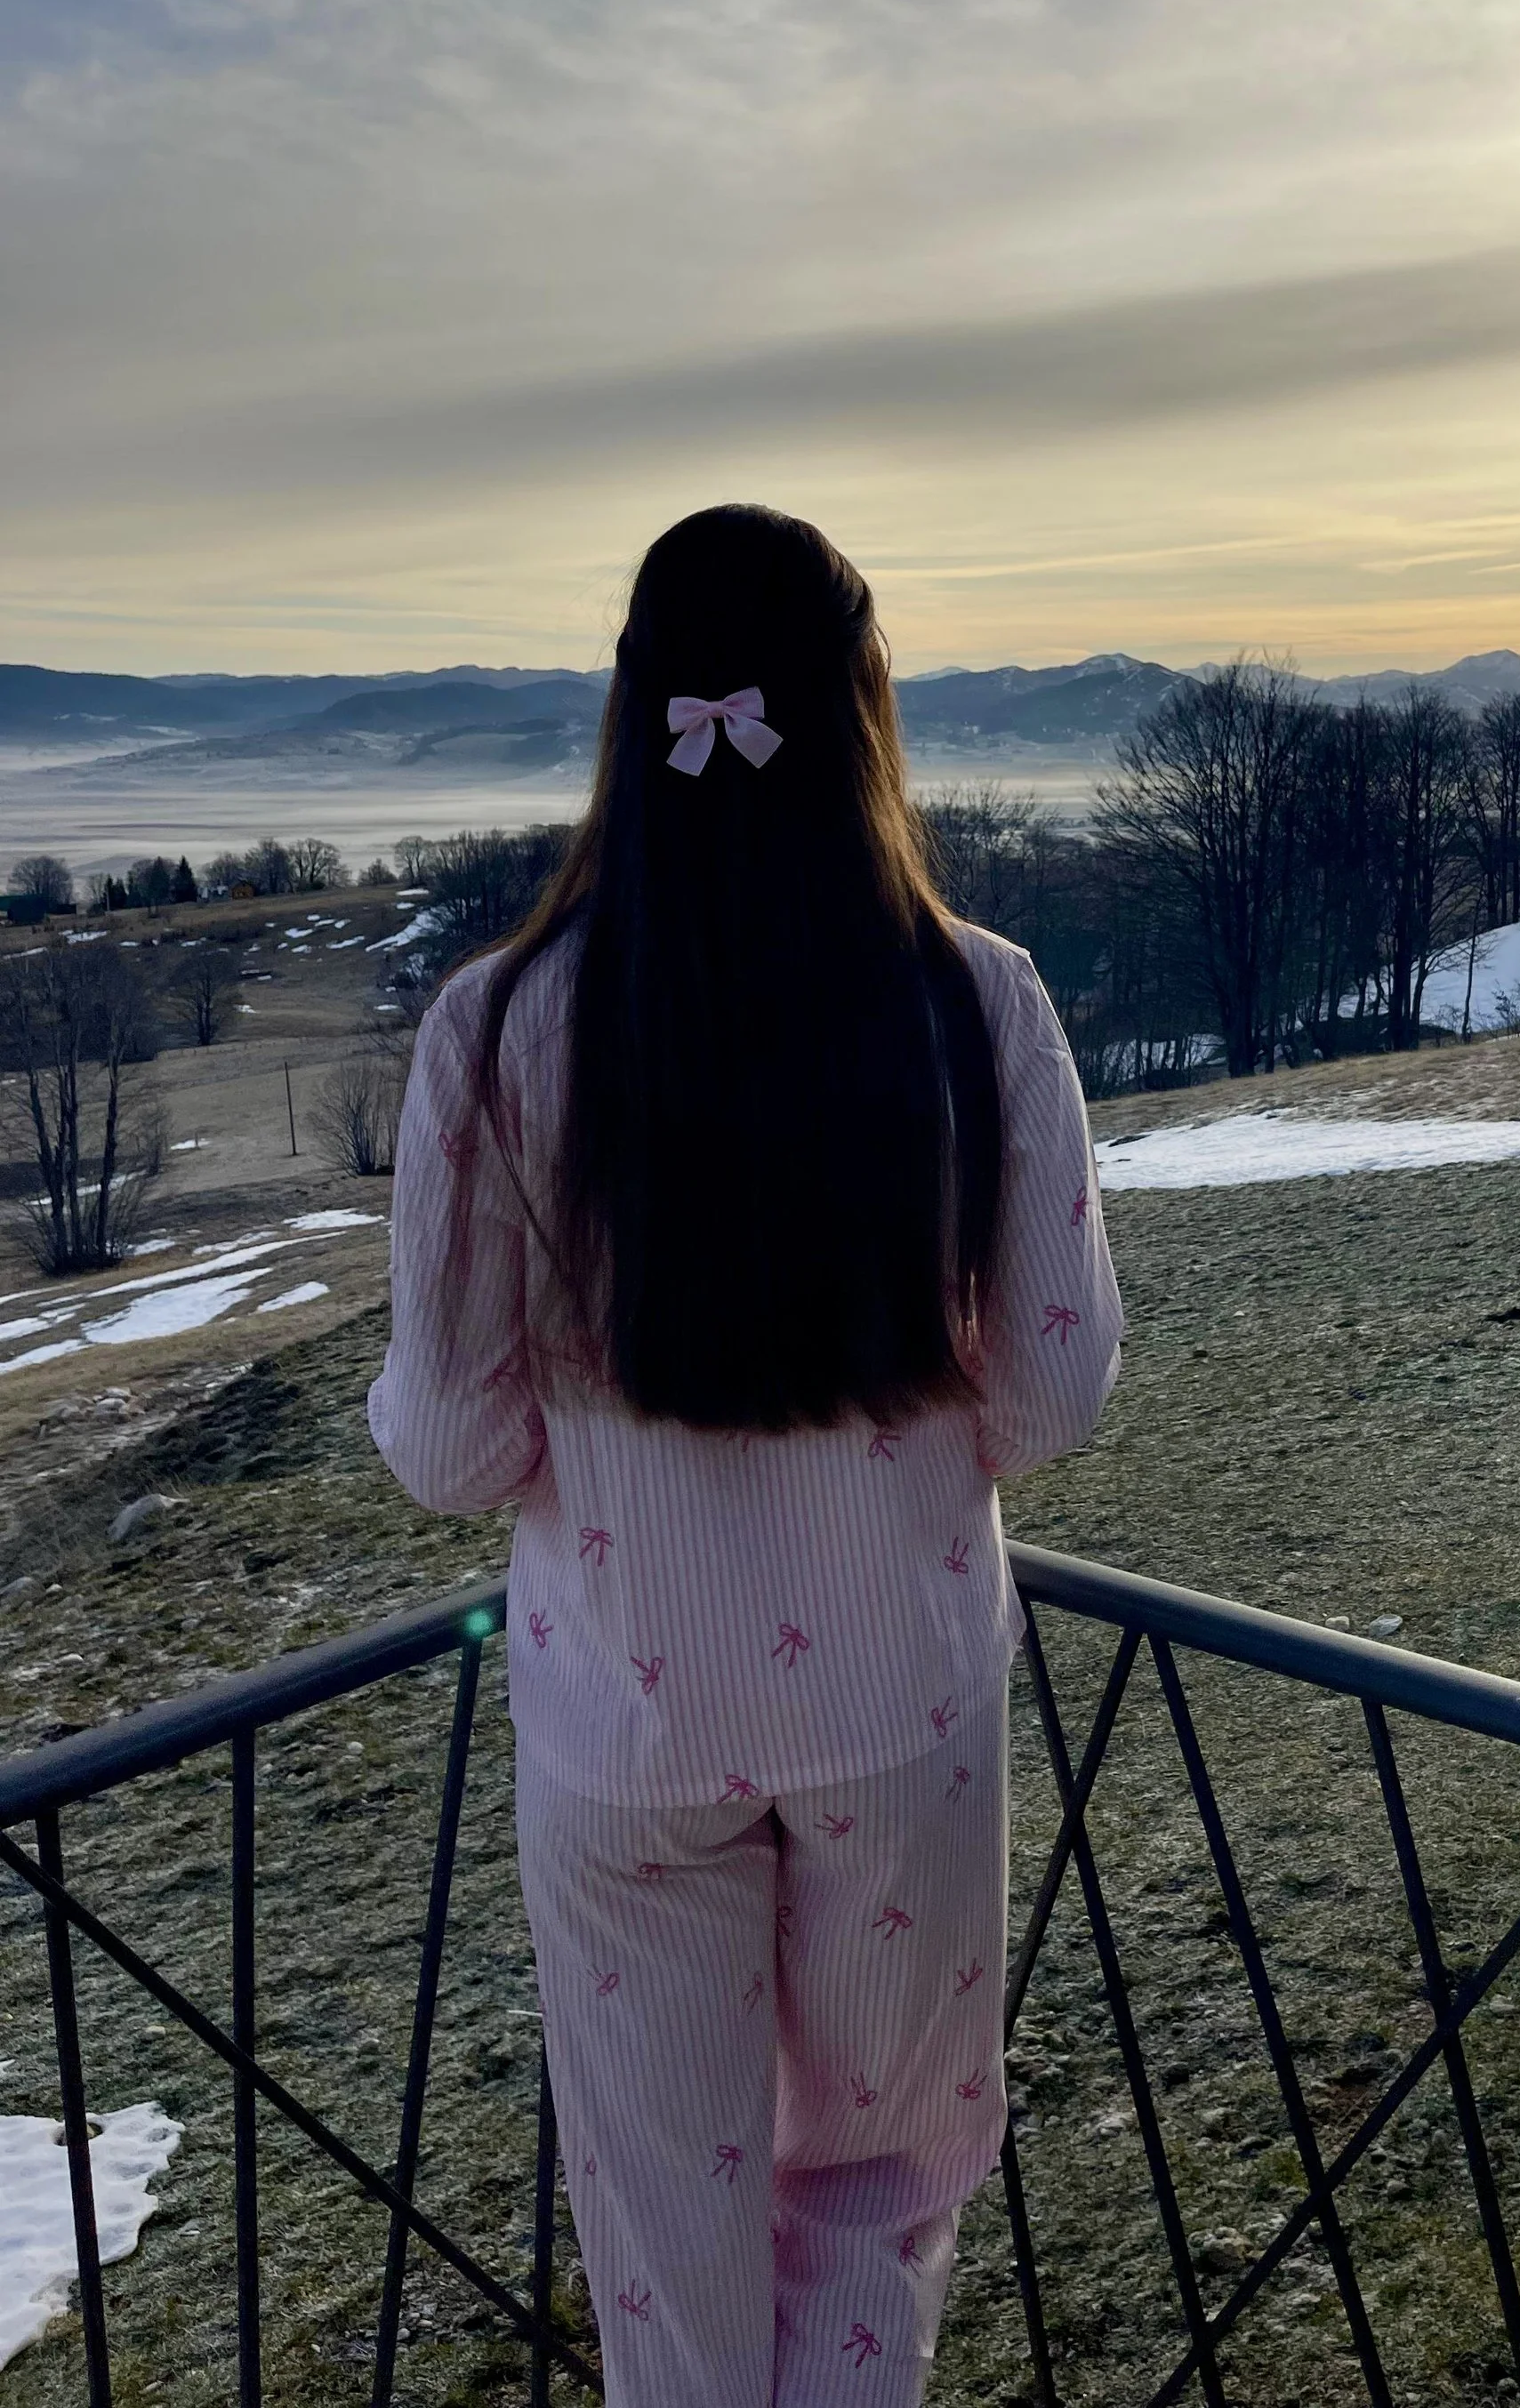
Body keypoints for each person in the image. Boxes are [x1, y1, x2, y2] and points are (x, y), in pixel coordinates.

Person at [369, 506, 1122, 2404]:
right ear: (863, 712)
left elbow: (453, 1446)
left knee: (661, 2227)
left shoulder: (491, 1032)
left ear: (634, 717)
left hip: (618, 1726)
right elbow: (1048, 1395)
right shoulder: (978, 999)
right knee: (875, 2181)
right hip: (900, 1706)